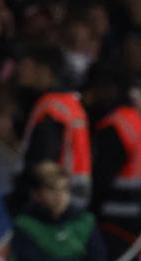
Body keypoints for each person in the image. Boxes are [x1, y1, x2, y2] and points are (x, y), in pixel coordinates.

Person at [90, 77, 141, 261]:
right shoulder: (138, 122)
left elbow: (102, 177)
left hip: (114, 216)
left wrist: (90, 209)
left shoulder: (113, 125)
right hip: (137, 214)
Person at [15, 47, 92, 212]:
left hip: (52, 202)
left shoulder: (50, 109)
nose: (19, 70)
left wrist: (25, 193)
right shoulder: (72, 104)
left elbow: (44, 159)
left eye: (26, 65)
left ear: (44, 70)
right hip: (74, 198)